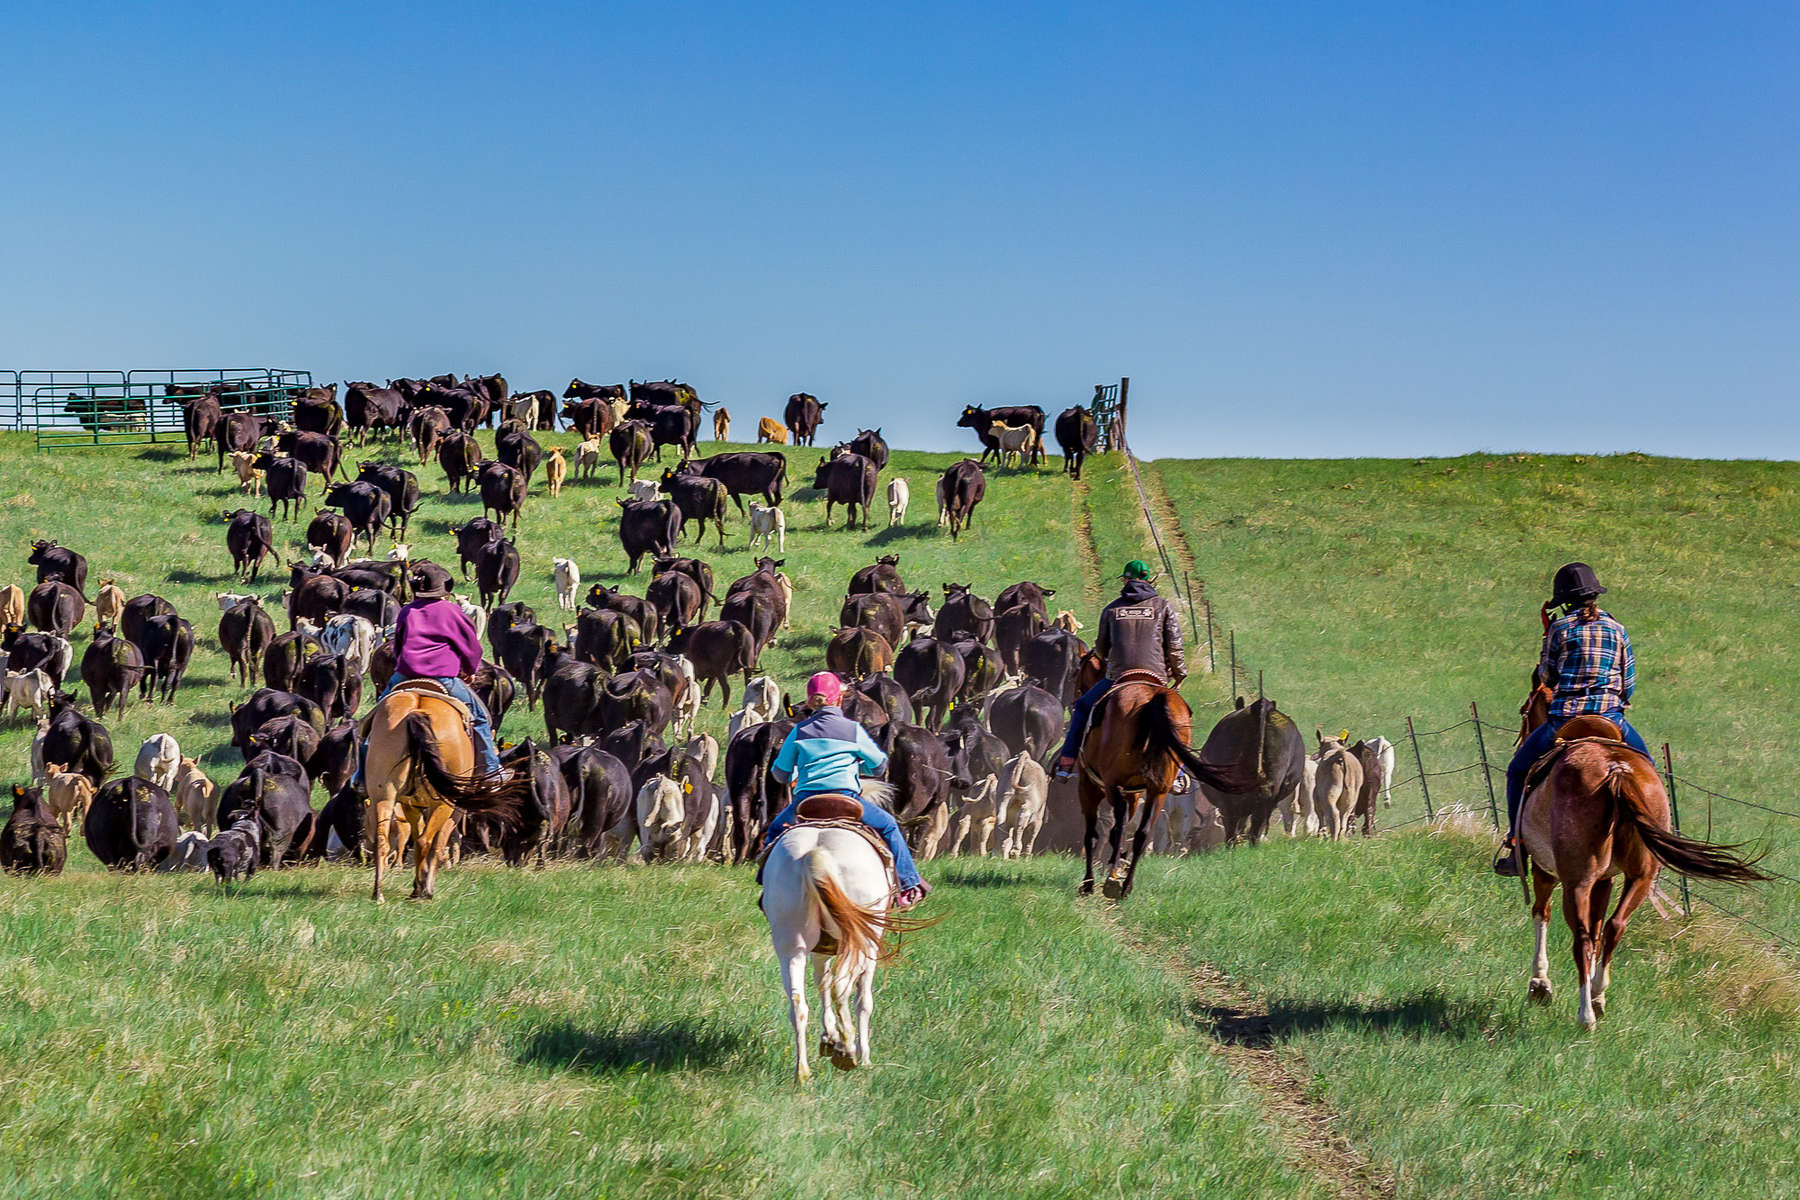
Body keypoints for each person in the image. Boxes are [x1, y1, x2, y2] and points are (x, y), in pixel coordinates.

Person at [1494, 562, 1651, 876]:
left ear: (1564, 600)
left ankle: (1516, 843)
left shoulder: (1560, 629)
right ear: (1595, 594)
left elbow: (1547, 677)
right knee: (1648, 772)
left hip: (1563, 722)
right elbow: (1629, 681)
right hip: (1611, 720)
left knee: (1516, 772)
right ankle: (1655, 842)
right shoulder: (1617, 629)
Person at [762, 672, 930, 909]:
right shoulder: (853, 730)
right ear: (839, 700)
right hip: (847, 799)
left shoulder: (798, 732)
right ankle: (909, 884)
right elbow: (880, 764)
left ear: (810, 701)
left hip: (805, 802)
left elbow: (779, 774)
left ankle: (765, 884)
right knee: (890, 827)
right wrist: (860, 763)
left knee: (775, 830)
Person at [355, 562, 503, 784]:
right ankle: (491, 770)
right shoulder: (452, 611)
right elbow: (472, 648)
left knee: (373, 721)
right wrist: (469, 670)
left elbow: (398, 647)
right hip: (443, 679)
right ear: (444, 588)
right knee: (481, 718)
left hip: (405, 675)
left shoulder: (407, 611)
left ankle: (361, 775)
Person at [1054, 560, 1186, 779]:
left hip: (1118, 678)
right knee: (1179, 717)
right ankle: (1179, 772)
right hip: (1155, 677)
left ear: (1126, 580)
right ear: (1148, 580)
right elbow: (1174, 646)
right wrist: (1179, 674)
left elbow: (1102, 650)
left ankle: (1067, 764)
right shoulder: (1163, 606)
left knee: (1083, 707)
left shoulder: (1112, 609)